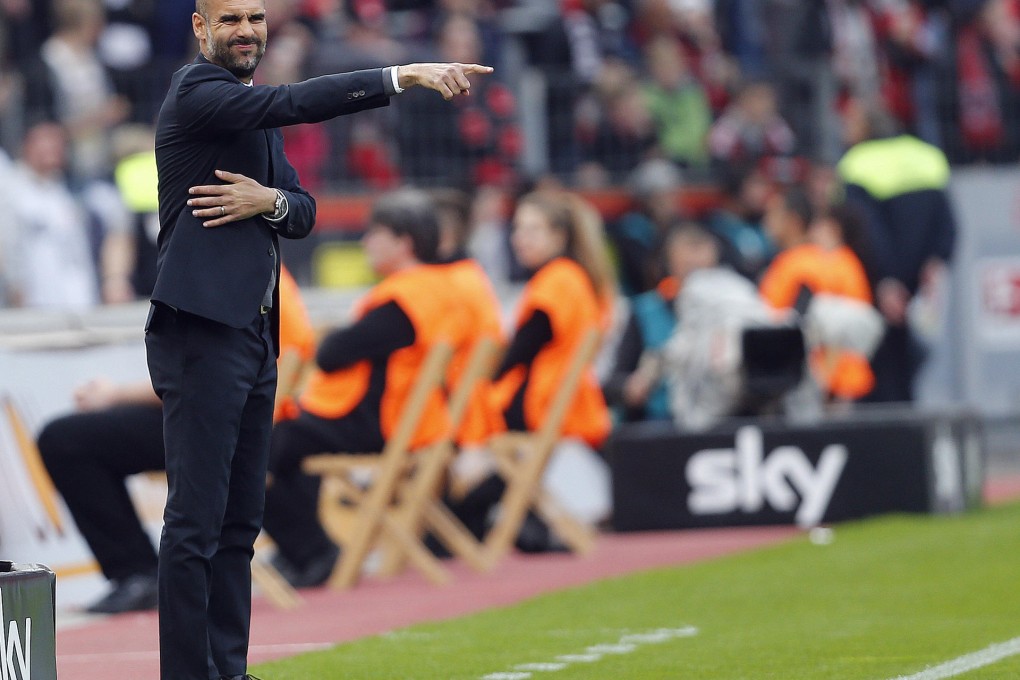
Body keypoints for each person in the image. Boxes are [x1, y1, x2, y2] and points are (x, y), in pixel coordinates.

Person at [145, 1, 491, 677]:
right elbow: (297, 102)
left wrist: (265, 202)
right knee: (196, 523)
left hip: (252, 335)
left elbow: (301, 210)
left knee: (241, 523)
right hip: (201, 332)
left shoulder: (249, 112)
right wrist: (401, 76)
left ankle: (228, 668)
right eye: (230, 19)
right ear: (198, 27)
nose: (246, 30)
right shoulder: (200, 93)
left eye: (255, 17)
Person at [38, 266, 315, 616]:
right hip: (253, 421)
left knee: (65, 440)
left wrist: (114, 394)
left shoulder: (225, 275)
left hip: (221, 423)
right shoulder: (269, 275)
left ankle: (137, 573)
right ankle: (141, 574)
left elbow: (203, 378)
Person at [261, 189, 469, 588]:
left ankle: (311, 550)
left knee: (257, 444)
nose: (365, 243)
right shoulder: (437, 287)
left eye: (374, 234)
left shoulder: (405, 295)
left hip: (377, 421)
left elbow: (333, 353)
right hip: (409, 417)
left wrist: (334, 341)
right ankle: (304, 551)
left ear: (403, 242)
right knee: (286, 441)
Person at [837, 99, 956, 402]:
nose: (844, 129)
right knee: (910, 365)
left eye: (850, 122)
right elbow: (947, 222)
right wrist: (935, 262)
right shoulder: (928, 156)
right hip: (920, 285)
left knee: (880, 367)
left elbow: (867, 230)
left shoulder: (857, 163)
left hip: (879, 288)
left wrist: (886, 280)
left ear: (865, 127)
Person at [758, 190, 875, 402]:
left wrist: (824, 384)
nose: (766, 222)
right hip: (834, 381)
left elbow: (804, 324)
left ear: (793, 221)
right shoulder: (828, 259)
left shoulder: (805, 266)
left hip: (819, 385)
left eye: (773, 214)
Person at [604, 222, 721, 422]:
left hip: (718, 421)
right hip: (659, 426)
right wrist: (632, 387)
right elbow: (612, 384)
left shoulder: (732, 308)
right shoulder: (645, 312)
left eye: (700, 248)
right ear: (668, 260)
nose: (694, 259)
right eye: (687, 249)